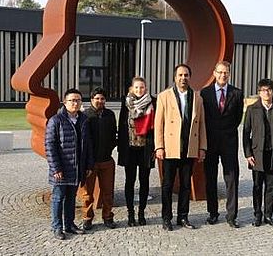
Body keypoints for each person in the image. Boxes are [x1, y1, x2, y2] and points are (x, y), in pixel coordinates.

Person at [154, 63, 207, 231]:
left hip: (189, 147)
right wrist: (159, 146)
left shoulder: (197, 97)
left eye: (186, 75)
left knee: (185, 185)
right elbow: (159, 123)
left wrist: (202, 147)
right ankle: (166, 218)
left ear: (190, 77)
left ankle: (183, 217)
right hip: (170, 148)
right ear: (175, 77)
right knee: (168, 185)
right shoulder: (164, 96)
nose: (183, 78)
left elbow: (202, 125)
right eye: (180, 75)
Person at [45, 88, 94, 240]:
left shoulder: (84, 120)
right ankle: (57, 227)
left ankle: (70, 224)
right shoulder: (56, 120)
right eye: (72, 100)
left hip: (77, 167)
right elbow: (49, 145)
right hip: (61, 168)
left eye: (78, 100)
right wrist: (56, 168)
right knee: (58, 198)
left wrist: (88, 165)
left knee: (71, 198)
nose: (75, 103)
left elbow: (88, 145)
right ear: (65, 102)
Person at [200, 61, 244, 228]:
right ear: (214, 73)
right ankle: (213, 213)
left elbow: (238, 117)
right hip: (210, 142)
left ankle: (232, 215)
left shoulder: (237, 93)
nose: (222, 75)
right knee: (210, 179)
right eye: (220, 72)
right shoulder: (205, 93)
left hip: (229, 142)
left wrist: (227, 132)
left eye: (225, 72)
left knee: (231, 179)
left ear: (229, 74)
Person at [243, 78, 273, 227]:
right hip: (257, 154)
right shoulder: (252, 109)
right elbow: (246, 133)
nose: (266, 92)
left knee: (270, 186)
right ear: (259, 92)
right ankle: (257, 215)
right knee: (257, 186)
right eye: (263, 90)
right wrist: (248, 153)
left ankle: (268, 215)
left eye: (269, 90)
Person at [118, 77, 156, 227]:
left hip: (146, 148)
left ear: (146, 88)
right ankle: (130, 213)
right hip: (130, 149)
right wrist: (120, 147)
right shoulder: (126, 103)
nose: (139, 90)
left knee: (144, 181)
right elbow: (122, 125)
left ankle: (141, 212)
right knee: (129, 181)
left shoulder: (153, 102)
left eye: (142, 87)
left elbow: (156, 126)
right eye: (137, 88)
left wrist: (156, 147)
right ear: (132, 89)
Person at [79, 87, 117, 230]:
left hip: (107, 160)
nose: (100, 101)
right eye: (97, 98)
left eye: (102, 98)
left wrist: (109, 148)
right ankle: (87, 218)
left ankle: (108, 217)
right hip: (90, 162)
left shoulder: (110, 114)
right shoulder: (85, 115)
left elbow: (114, 134)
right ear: (92, 100)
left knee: (108, 192)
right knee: (87, 193)